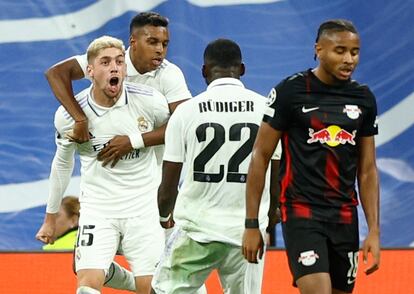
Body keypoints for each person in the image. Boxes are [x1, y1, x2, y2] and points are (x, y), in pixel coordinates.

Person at [242, 19, 380, 294]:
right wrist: (252, 224)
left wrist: (374, 230)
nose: (349, 59)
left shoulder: (363, 98)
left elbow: (367, 170)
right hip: (301, 212)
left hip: (344, 216)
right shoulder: (290, 92)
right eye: (339, 50)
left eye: (354, 52)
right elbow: (260, 155)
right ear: (318, 49)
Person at [36, 35, 170, 294]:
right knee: (86, 287)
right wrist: (50, 218)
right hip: (98, 210)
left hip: (144, 210)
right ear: (90, 71)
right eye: (106, 62)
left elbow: (172, 135)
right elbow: (62, 165)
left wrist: (166, 195)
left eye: (119, 62)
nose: (114, 67)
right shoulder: (68, 117)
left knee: (150, 288)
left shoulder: (150, 101)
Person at [151, 38, 281, 294]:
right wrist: (268, 218)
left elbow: (168, 185)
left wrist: (164, 217)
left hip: (197, 229)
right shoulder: (267, 109)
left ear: (204, 71)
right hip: (247, 232)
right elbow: (276, 172)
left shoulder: (186, 112)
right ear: (242, 69)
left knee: (161, 291)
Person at [45, 11, 191, 168]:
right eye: (152, 42)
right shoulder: (109, 62)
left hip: (153, 171)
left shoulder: (169, 74)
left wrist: (133, 142)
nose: (160, 50)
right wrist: (79, 118)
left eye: (164, 44)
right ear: (133, 42)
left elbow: (186, 123)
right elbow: (56, 73)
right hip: (106, 172)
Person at [37, 196, 137, 292]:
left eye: (57, 216)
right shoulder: (104, 237)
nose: (51, 221)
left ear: (74, 220)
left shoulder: (59, 247)